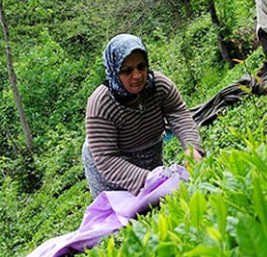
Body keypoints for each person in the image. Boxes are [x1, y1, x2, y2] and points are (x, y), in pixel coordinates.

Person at [81, 33, 204, 198]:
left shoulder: (159, 86)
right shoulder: (101, 105)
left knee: (160, 203)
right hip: (110, 164)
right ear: (114, 71)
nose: (137, 75)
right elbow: (107, 159)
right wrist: (149, 179)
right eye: (127, 70)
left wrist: (192, 149)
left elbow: (178, 113)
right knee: (127, 216)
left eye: (141, 66)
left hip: (148, 149)